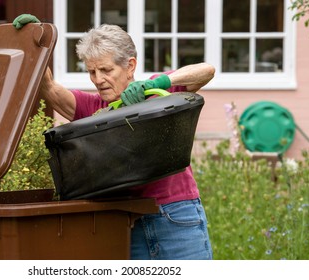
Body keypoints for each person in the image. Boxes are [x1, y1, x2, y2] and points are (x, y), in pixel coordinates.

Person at [13, 14, 215, 260]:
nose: (98, 79)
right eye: (92, 72)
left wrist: (164, 80)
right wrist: (36, 40)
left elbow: (206, 70)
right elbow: (49, 88)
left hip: (174, 215)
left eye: (106, 70)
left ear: (130, 65)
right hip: (126, 220)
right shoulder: (92, 109)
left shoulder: (155, 93)